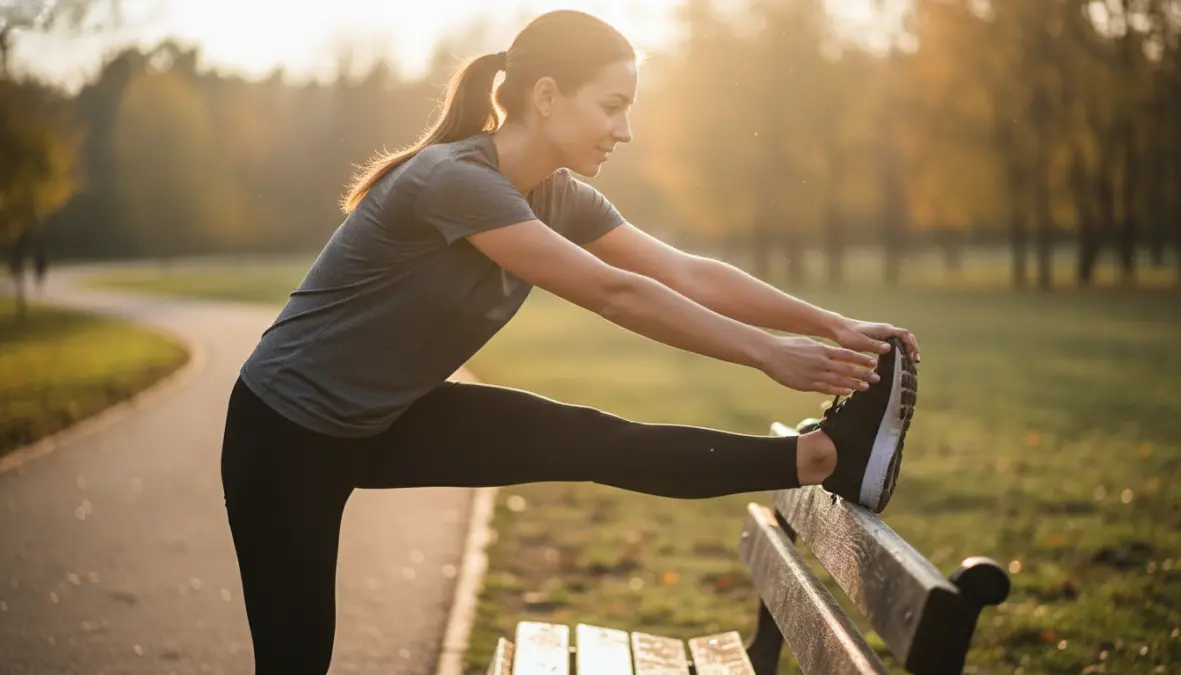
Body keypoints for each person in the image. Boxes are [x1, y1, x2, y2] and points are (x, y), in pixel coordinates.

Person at [220, 9, 920, 675]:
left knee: (588, 438)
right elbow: (615, 293)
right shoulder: (454, 181)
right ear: (547, 96)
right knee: (295, 658)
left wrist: (829, 325)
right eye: (611, 106)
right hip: (286, 433)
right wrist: (767, 352)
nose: (625, 131)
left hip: (387, 415)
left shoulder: (557, 195)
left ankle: (821, 457)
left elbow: (682, 271)